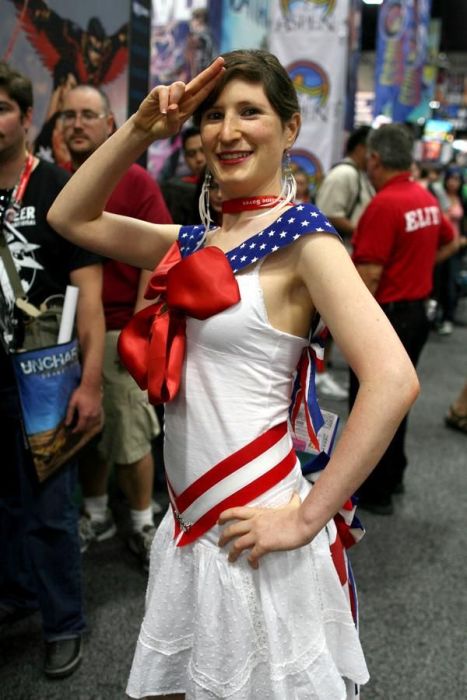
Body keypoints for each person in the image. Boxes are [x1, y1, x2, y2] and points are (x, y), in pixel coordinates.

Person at [49, 50, 419, 700]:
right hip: (189, 519)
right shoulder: (191, 241)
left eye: (250, 111)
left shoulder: (307, 244)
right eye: (214, 114)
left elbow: (392, 379)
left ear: (290, 126)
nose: (227, 130)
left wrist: (307, 517)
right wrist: (138, 129)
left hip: (255, 525)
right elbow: (70, 218)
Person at [0, 62, 104, 678]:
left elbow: (89, 295)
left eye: (1, 108)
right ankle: (16, 593)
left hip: (45, 372)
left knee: (49, 508)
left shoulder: (59, 188)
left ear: (26, 117)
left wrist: (90, 383)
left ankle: (65, 622)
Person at [60, 83, 172, 569]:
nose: (77, 123)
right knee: (86, 430)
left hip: (117, 327)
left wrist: (142, 332)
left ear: (111, 125)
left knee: (128, 433)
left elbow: (159, 257)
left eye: (88, 114)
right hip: (62, 333)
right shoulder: (52, 178)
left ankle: (144, 521)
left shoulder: (135, 182)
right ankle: (99, 510)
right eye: (68, 116)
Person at [350, 123, 458, 515]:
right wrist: (420, 268)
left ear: (375, 160)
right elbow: (451, 241)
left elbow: (369, 275)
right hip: (415, 313)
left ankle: (375, 488)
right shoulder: (425, 198)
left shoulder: (384, 204)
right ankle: (392, 476)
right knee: (397, 401)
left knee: (371, 404)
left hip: (386, 317)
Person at [316, 125, 374, 242]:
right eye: (372, 151)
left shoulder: (359, 174)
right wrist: (363, 233)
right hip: (343, 251)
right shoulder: (344, 173)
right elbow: (328, 214)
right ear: (360, 148)